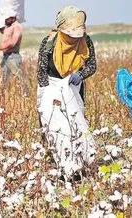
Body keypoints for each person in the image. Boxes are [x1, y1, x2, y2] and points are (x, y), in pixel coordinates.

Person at [36, 6, 97, 180]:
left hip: (74, 87)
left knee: (76, 124)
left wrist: (80, 75)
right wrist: (48, 97)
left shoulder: (86, 41)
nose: (74, 38)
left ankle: (81, 163)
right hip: (51, 87)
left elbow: (92, 65)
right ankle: (59, 165)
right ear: (61, 29)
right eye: (70, 34)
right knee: (53, 126)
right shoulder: (49, 43)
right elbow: (41, 73)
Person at [0, 10, 30, 98]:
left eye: (6, 18)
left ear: (12, 18)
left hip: (13, 56)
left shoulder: (17, 27)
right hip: (6, 56)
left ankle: (25, 94)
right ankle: (4, 97)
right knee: (4, 78)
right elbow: (2, 31)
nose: (5, 20)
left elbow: (13, 42)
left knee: (18, 75)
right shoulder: (8, 27)